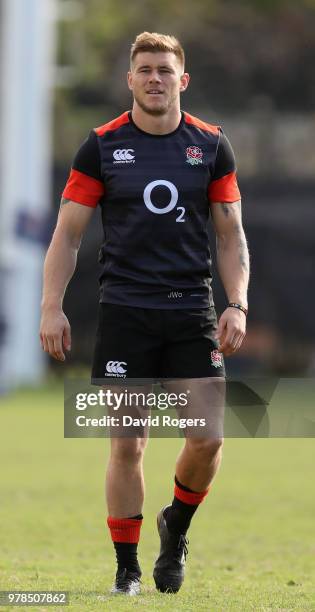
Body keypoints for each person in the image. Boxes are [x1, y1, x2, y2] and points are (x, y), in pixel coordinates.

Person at [40, 32, 249, 596]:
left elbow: (230, 236)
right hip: (126, 311)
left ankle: (175, 524)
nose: (155, 79)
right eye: (144, 70)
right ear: (130, 80)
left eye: (165, 70)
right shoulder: (101, 146)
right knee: (128, 443)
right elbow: (67, 236)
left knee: (207, 439)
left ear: (182, 81)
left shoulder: (211, 144)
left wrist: (238, 303)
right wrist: (51, 307)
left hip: (191, 310)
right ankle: (127, 571)